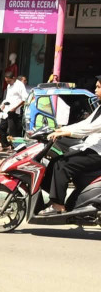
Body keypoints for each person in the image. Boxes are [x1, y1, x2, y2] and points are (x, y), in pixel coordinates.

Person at [41, 75, 101, 216]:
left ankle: (58, 206)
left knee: (62, 165)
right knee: (55, 160)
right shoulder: (99, 108)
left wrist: (67, 132)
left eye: (98, 87)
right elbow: (85, 124)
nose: (95, 89)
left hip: (97, 153)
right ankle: (53, 197)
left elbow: (90, 129)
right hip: (90, 147)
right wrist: (61, 130)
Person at [0, 71, 28, 152]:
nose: (8, 83)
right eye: (6, 81)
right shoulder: (9, 86)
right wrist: (3, 104)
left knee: (12, 130)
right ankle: (5, 145)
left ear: (13, 78)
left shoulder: (19, 85)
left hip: (14, 111)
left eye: (9, 81)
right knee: (1, 128)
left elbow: (24, 99)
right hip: (7, 110)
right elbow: (8, 98)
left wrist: (15, 108)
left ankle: (14, 148)